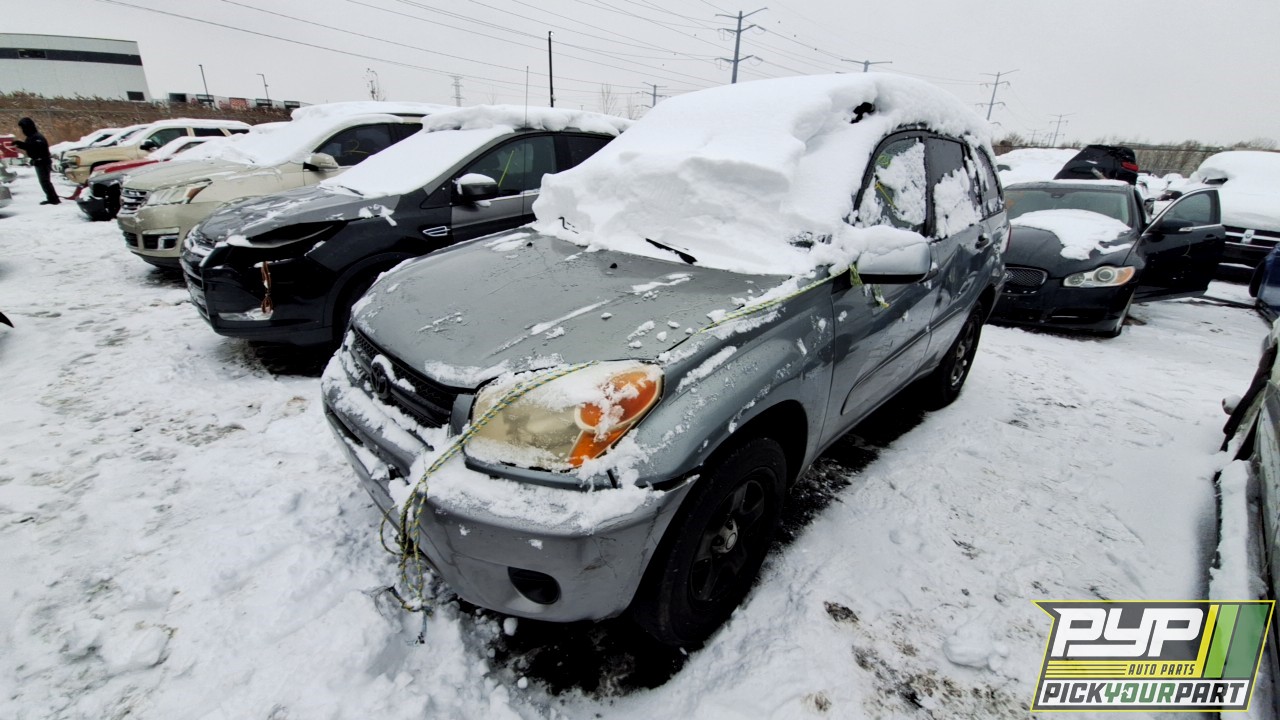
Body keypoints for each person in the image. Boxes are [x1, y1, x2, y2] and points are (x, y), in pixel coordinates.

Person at [14, 117, 60, 205]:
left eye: (23, 127)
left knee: (45, 181)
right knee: (45, 182)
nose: (22, 130)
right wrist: (20, 144)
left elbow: (36, 148)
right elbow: (30, 146)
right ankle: (52, 198)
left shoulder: (36, 137)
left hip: (42, 162)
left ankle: (53, 199)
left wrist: (22, 145)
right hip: (40, 161)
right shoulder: (32, 136)